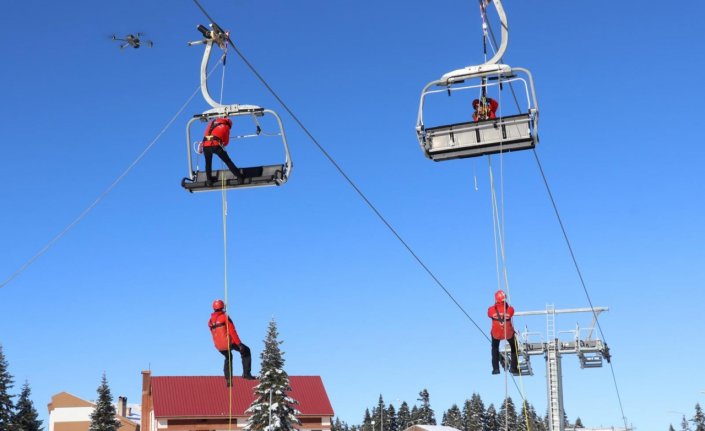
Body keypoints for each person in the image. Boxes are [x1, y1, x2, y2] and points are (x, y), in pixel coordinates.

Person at [208, 299, 256, 386]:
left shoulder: (210, 321)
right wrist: (239, 344)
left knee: (228, 357)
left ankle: (228, 380)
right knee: (246, 351)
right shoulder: (225, 317)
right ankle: (246, 374)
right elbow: (232, 331)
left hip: (219, 346)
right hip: (228, 343)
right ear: (222, 307)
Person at [201, 117, 241, 186]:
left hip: (205, 145)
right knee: (227, 161)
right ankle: (239, 177)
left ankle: (209, 180)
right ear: (229, 124)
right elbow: (226, 142)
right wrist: (222, 143)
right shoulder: (225, 126)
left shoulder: (211, 123)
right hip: (216, 145)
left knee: (208, 163)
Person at [488, 289, 519, 375]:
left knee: (494, 348)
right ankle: (514, 368)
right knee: (514, 347)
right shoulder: (510, 309)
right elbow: (510, 312)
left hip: (496, 334)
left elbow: (489, 314)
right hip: (508, 333)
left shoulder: (491, 310)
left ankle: (495, 369)